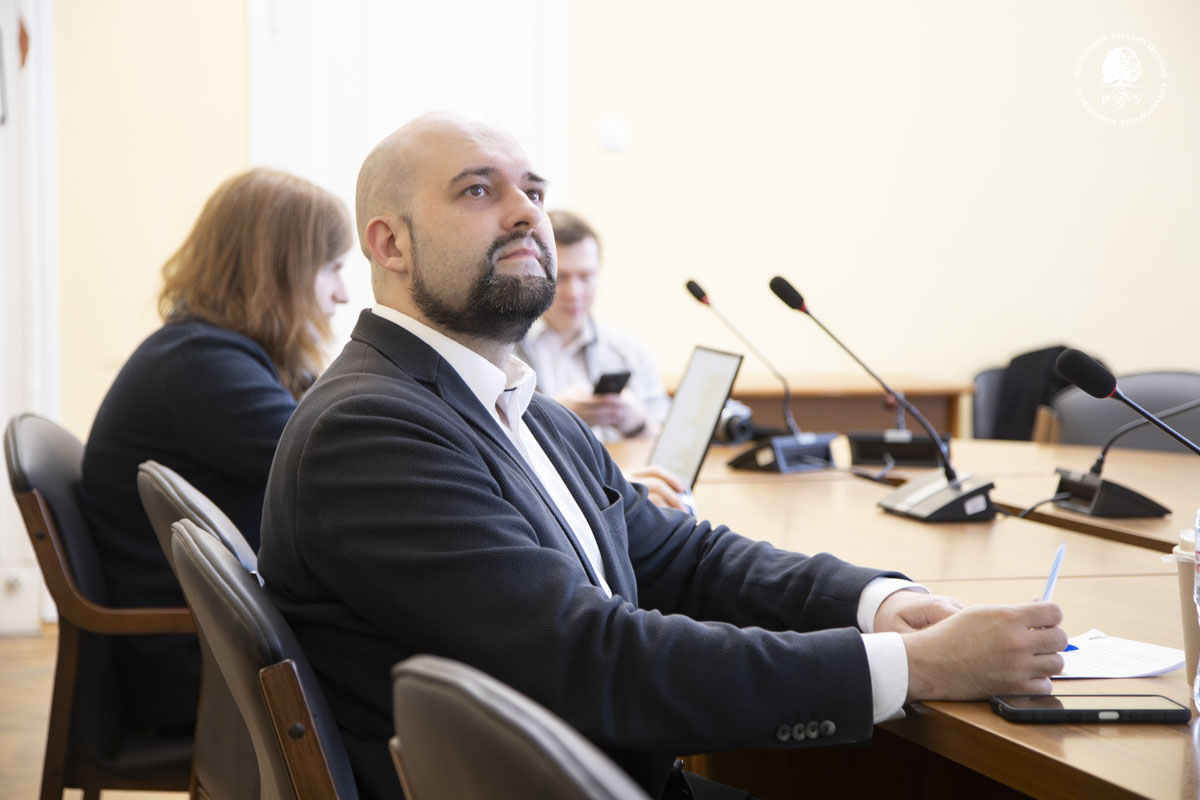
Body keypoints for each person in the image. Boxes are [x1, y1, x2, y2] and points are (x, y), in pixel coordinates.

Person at [259, 112, 1066, 800]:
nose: (525, 213)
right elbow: (592, 660)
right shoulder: (371, 428)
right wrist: (908, 667)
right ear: (390, 244)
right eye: (478, 190)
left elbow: (683, 556)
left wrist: (878, 604)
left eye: (534, 191)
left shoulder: (518, 406)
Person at [79, 167, 353, 734]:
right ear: (277, 268)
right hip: (200, 671)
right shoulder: (202, 367)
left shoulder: (205, 353)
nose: (342, 293)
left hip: (208, 651)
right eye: (331, 267)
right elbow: (338, 473)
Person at [515, 210, 669, 443]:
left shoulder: (629, 352)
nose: (574, 293)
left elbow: (666, 443)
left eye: (586, 276)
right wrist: (555, 416)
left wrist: (638, 423)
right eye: (560, 277)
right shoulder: (504, 351)